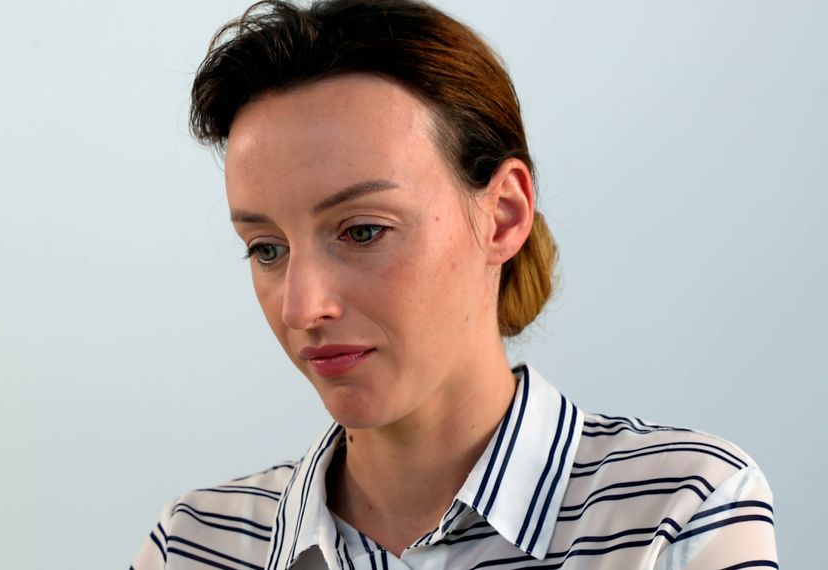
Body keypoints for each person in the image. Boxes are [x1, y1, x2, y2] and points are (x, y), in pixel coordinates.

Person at [131, 0, 777, 568]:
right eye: (266, 248)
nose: (303, 308)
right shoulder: (194, 546)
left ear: (503, 215)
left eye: (362, 231)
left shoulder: (679, 513)